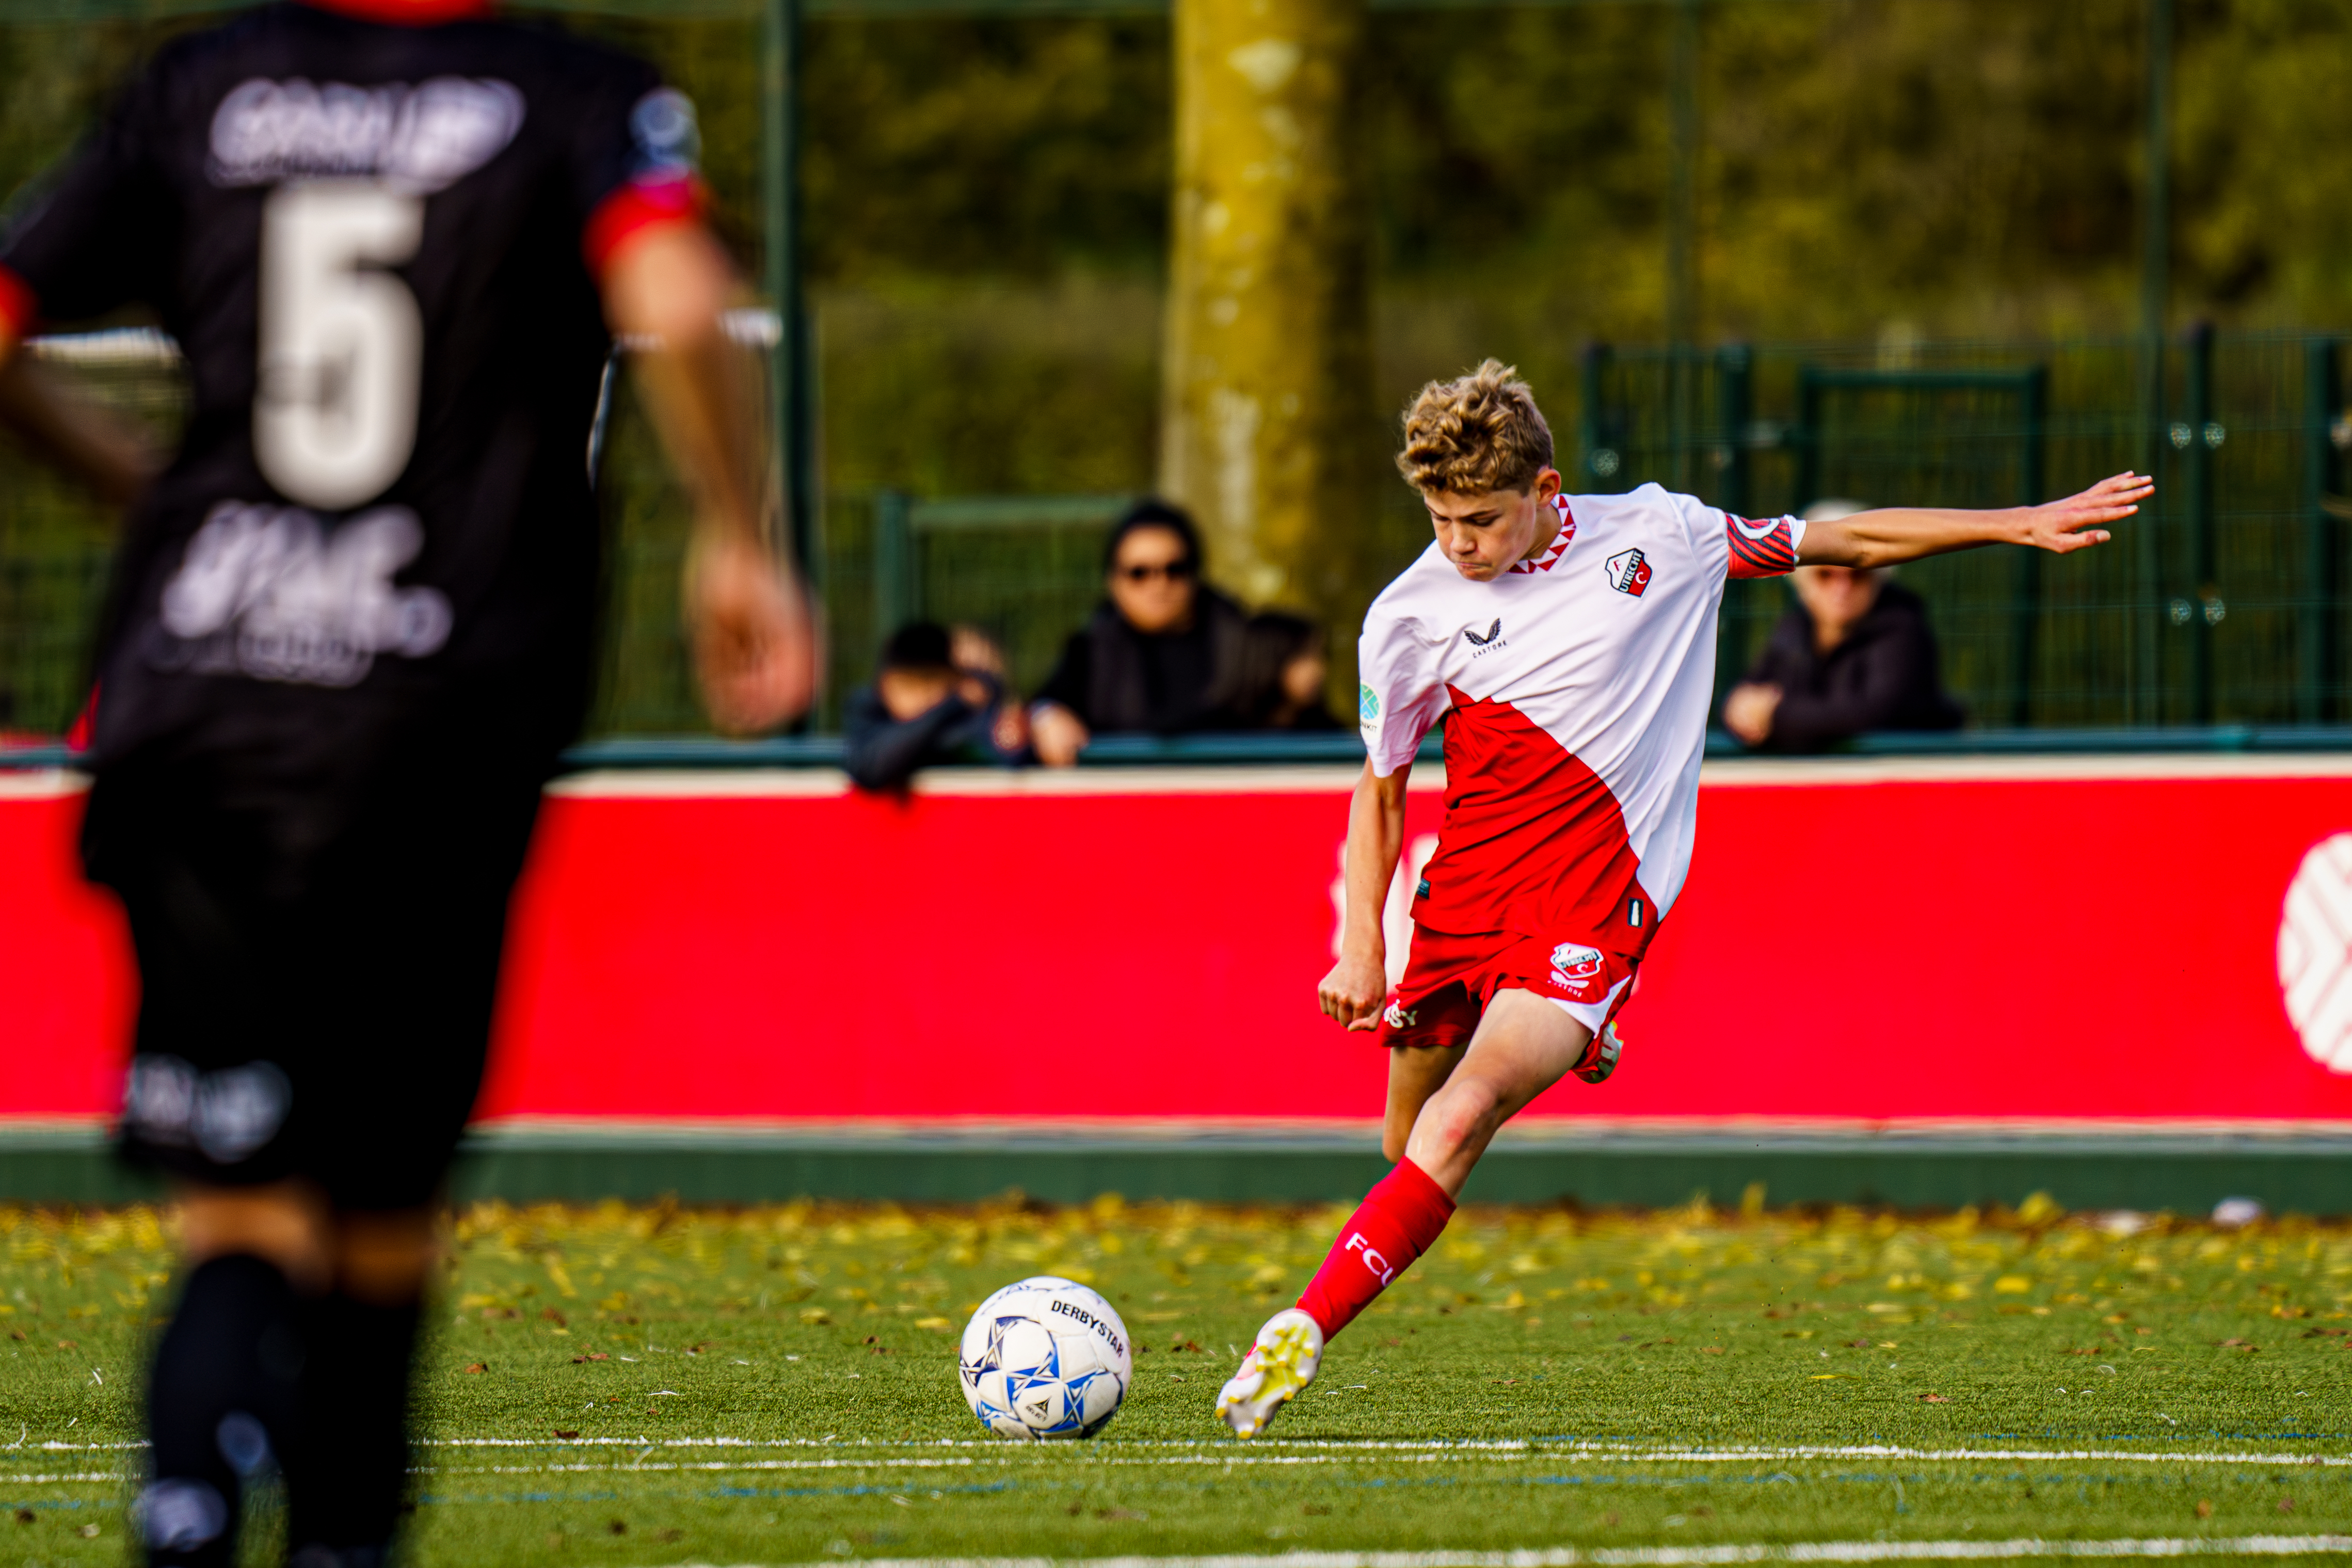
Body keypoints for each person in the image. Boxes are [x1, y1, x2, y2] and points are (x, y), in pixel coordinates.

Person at [0, 4, 814, 1564]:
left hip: (198, 705)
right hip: (429, 717)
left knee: (235, 1208)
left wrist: (141, 486)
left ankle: (182, 1514)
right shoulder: (572, 90)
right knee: (376, 1216)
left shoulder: (203, 79)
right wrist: (738, 531)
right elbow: (679, 293)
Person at [1212, 359, 2148, 1439]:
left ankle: (1298, 1331)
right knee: (1405, 1139)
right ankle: (1582, 1030)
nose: (1458, 543)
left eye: (1480, 517)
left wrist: (2013, 522)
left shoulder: (1661, 538)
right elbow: (1380, 792)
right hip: (1463, 895)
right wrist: (1359, 948)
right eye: (1437, 518)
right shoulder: (1408, 612)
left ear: (1547, 488)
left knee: (1462, 1118)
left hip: (1589, 902)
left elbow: (1838, 542)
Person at [1720, 500, 1964, 750]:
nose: (1841, 589)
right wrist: (1738, 709)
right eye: (1825, 575)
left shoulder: (1904, 630)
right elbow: (1750, 693)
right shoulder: (1792, 629)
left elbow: (1875, 712)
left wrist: (1776, 717)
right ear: (1802, 582)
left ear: (1878, 579)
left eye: (1857, 574)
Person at [1028, 499, 1247, 765]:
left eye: (1174, 570)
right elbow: (1046, 704)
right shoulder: (1092, 652)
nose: (1158, 585)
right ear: (1114, 582)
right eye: (1139, 573)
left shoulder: (1244, 644)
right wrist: (1046, 718)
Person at [842, 620, 1028, 789]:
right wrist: (953, 704)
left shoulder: (965, 716)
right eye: (910, 686)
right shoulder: (869, 708)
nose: (922, 697)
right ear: (887, 685)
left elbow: (1009, 754)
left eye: (930, 685)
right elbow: (871, 768)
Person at [1233, 611, 1344, 731]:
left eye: (1321, 656)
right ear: (1271, 658)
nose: (1319, 669)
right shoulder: (1222, 731)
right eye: (1305, 655)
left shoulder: (1331, 737)